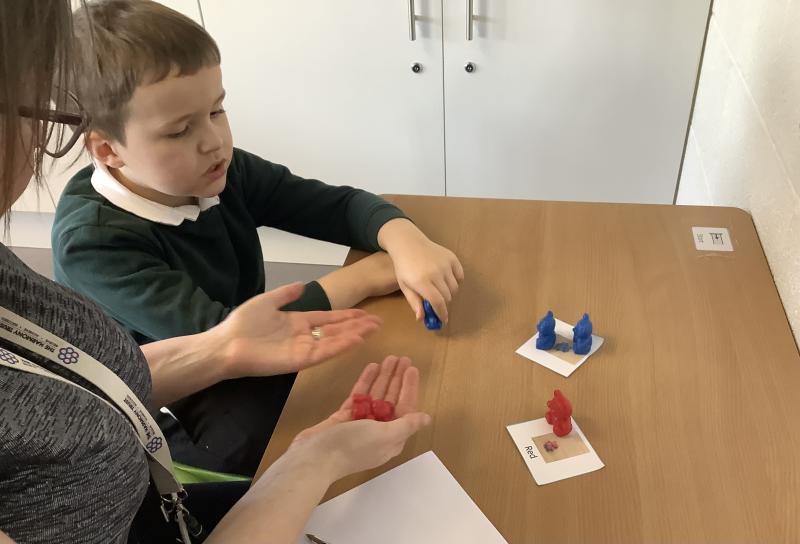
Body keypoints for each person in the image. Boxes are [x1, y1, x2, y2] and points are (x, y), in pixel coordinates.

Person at [0, 2, 431, 542]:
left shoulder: (216, 170)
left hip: (205, 370)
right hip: (183, 409)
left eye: (218, 110)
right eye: (179, 130)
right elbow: (215, 328)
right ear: (108, 150)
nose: (214, 141)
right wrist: (366, 277)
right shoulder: (95, 240)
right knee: (278, 435)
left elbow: (330, 207)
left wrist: (400, 234)